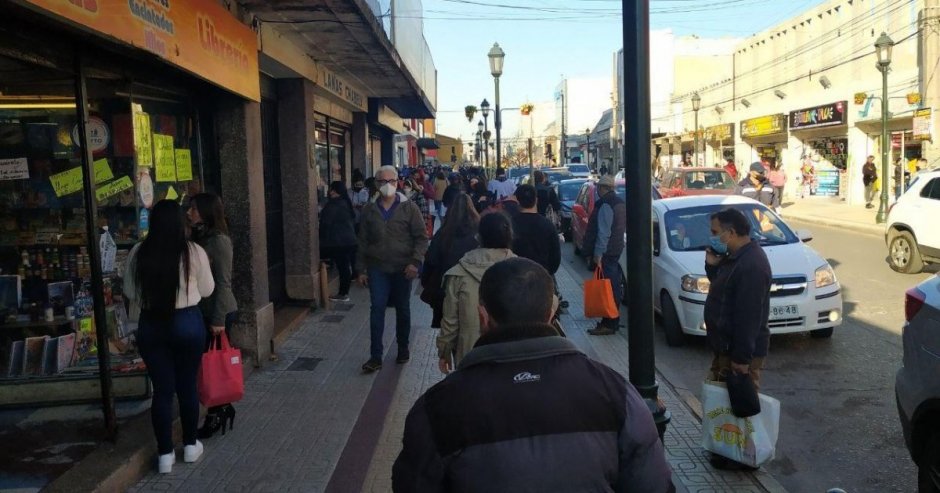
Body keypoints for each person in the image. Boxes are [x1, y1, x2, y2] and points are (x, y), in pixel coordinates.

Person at [393, 257, 674, 492]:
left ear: (483, 316)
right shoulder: (614, 391)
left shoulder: (438, 407)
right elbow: (654, 484)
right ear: (551, 313)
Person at [124, 200, 215, 474]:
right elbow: (208, 289)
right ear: (180, 224)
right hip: (187, 322)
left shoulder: (138, 252)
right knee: (187, 385)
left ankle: (165, 455)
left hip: (152, 324)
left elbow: (130, 292)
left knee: (162, 390)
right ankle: (189, 445)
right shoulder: (194, 252)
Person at [703, 208, 772, 471]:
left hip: (739, 353)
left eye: (715, 232)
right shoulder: (734, 257)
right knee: (724, 403)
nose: (712, 237)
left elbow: (749, 317)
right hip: (726, 348)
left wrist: (741, 359)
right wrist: (712, 266)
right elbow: (724, 291)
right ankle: (726, 450)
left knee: (741, 405)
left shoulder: (751, 264)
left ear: (731, 232)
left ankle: (744, 456)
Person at [356, 166, 429, 372]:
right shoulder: (369, 210)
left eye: (392, 181)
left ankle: (403, 348)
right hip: (377, 268)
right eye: (383, 181)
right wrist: (360, 269)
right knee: (377, 309)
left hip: (402, 268)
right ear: (376, 184)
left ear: (398, 182)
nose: (388, 185)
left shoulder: (409, 208)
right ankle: (375, 356)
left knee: (403, 309)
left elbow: (421, 238)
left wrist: (415, 262)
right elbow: (362, 241)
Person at [187, 193, 239, 439]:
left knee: (214, 365)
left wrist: (218, 319)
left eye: (194, 209)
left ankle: (216, 412)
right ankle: (221, 409)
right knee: (208, 364)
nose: (189, 213)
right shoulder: (200, 237)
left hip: (218, 311)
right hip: (203, 311)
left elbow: (223, 282)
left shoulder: (219, 241)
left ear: (206, 212)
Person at [437, 212, 516, 370]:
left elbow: (450, 321)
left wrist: (444, 352)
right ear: (509, 235)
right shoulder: (521, 271)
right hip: (512, 356)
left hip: (470, 356)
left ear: (479, 237)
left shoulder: (459, 273)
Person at [421, 193, 480, 328]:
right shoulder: (478, 234)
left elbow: (431, 261)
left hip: (445, 291)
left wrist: (427, 283)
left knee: (447, 329)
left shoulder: (443, 234)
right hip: (472, 291)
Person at [582, 176, 626, 336]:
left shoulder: (606, 205)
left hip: (606, 253)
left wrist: (598, 254)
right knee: (612, 285)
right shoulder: (619, 202)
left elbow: (603, 232)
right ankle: (613, 319)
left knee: (607, 288)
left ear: (602, 188)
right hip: (616, 249)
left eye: (599, 188)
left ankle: (609, 321)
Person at [510, 185, 560, 278]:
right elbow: (555, 258)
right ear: (536, 200)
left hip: (516, 277)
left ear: (517, 201)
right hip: (542, 277)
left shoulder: (510, 224)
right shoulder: (548, 225)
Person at [320, 181, 358, 302]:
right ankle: (344, 292)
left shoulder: (333, 205)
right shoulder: (346, 203)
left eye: (331, 189)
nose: (329, 192)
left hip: (338, 241)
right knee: (345, 267)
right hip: (349, 240)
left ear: (334, 191)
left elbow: (325, 224)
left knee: (343, 268)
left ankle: (343, 294)